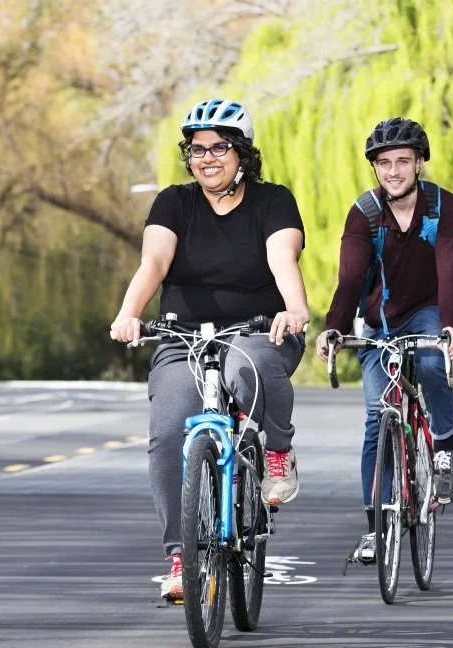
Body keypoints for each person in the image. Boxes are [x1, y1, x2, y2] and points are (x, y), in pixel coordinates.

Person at [109, 98, 310, 600]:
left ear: (242, 153)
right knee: (168, 427)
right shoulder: (174, 203)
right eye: (197, 150)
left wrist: (295, 307)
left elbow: (281, 256)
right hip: (185, 336)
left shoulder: (273, 201)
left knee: (252, 371)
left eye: (220, 147)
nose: (208, 158)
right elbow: (154, 262)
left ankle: (278, 453)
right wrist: (129, 312)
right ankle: (180, 556)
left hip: (262, 328)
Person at [316, 116, 453, 565]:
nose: (394, 171)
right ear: (376, 168)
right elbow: (350, 278)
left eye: (403, 161)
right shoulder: (364, 212)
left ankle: (443, 444)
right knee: (375, 416)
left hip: (427, 310)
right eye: (384, 163)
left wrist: (451, 326)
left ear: (419, 163)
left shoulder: (445, 207)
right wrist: (334, 326)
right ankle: (375, 528)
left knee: (429, 363)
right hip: (379, 319)